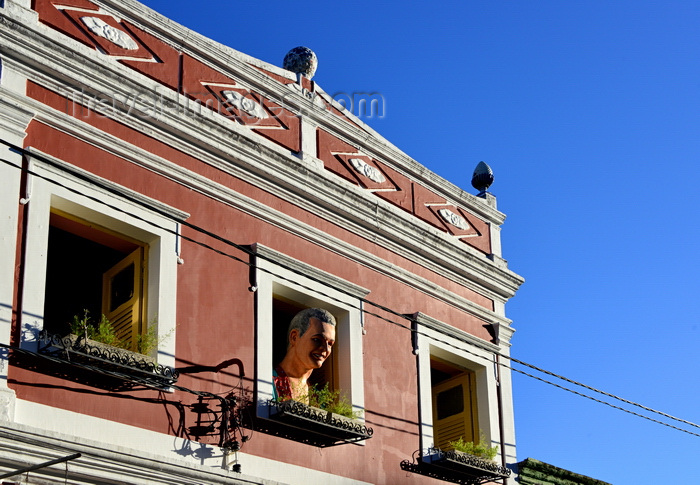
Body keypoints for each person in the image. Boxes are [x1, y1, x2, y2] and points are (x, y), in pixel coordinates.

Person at [273, 308, 336, 402]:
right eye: (317, 340)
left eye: (330, 344)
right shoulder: (268, 382)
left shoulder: (317, 398)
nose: (326, 349)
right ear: (294, 337)